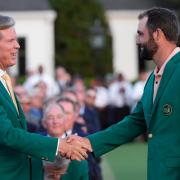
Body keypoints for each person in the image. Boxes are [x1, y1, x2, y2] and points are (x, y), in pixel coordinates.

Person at [67, 7, 180, 180]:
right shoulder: (153, 78)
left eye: (140, 34)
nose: (137, 40)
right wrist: (89, 143)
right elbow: (135, 122)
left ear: (157, 34)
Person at [0, 15, 91, 179]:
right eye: (11, 40)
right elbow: (7, 134)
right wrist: (58, 145)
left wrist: (49, 163)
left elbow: (17, 135)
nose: (18, 45)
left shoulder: (4, 79)